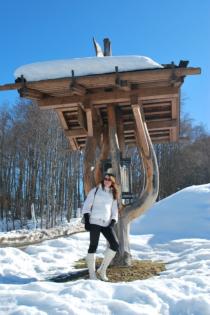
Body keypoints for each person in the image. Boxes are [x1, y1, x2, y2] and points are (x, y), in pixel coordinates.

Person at [82, 170, 119, 281]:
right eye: (105, 178)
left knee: (115, 245)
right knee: (93, 246)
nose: (106, 181)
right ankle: (92, 275)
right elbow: (87, 205)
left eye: (109, 179)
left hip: (106, 223)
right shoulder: (96, 190)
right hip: (94, 222)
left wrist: (112, 222)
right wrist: (87, 220)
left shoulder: (113, 194)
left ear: (112, 182)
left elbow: (114, 210)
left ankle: (102, 270)